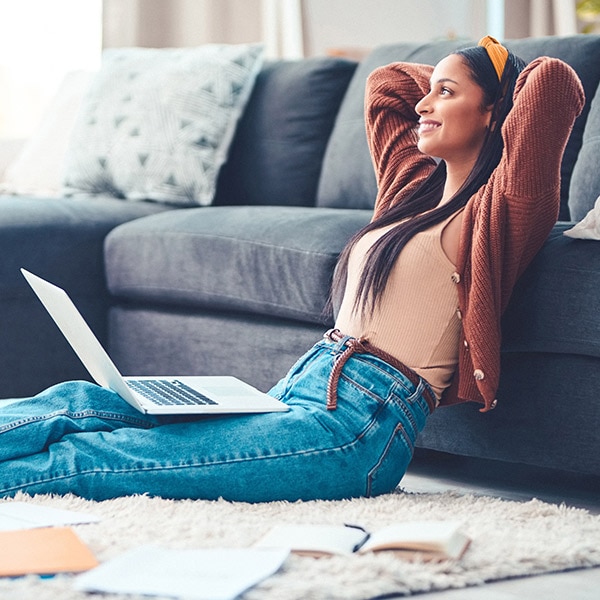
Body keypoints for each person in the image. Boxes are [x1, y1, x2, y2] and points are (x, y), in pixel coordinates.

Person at [0, 37, 584, 503]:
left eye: (446, 93)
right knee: (81, 403)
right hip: (297, 391)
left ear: (496, 114)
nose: (423, 105)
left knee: (100, 458)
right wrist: (454, 81)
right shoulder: (409, 192)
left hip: (354, 433)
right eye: (428, 92)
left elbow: (554, 84)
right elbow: (387, 87)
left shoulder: (502, 210)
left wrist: (499, 70)